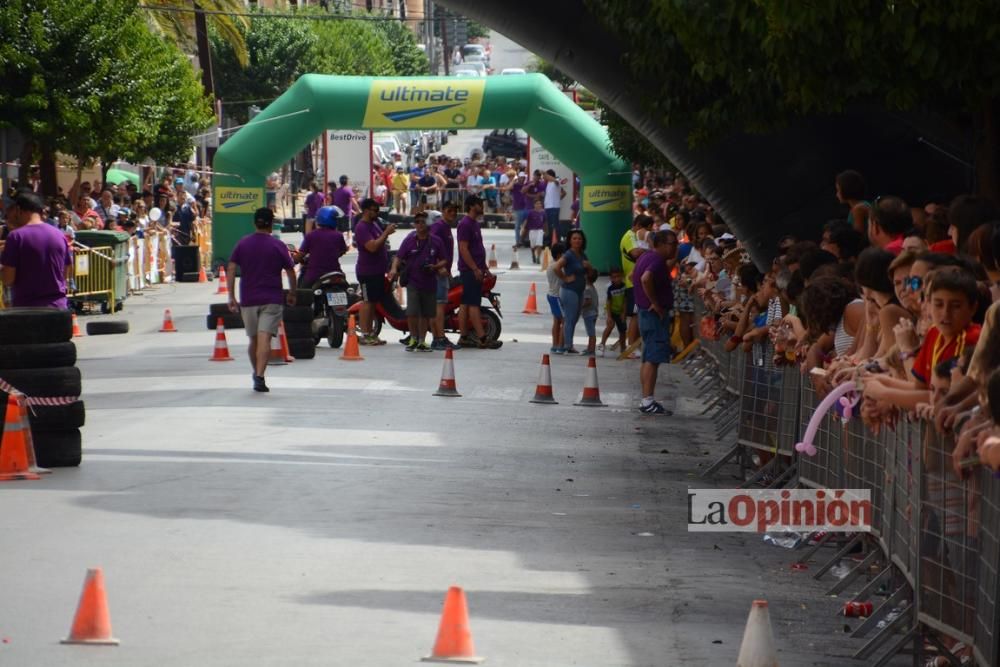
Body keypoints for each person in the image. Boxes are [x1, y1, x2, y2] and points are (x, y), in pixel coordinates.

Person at [225, 207, 297, 393]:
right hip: (272, 299)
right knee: (265, 340)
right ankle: (259, 375)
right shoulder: (277, 245)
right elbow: (290, 271)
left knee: (253, 340)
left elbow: (231, 268)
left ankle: (256, 373)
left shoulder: (243, 244)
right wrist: (292, 293)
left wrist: (231, 295)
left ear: (254, 223)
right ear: (271, 223)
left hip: (248, 299)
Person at [1, 190, 72, 308]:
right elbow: (66, 271)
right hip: (58, 307)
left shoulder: (16, 236)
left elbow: (8, 279)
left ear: (18, 210)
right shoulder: (58, 234)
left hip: (28, 310)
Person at [633, 229, 679, 415]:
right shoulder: (656, 260)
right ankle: (648, 400)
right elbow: (646, 279)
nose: (674, 247)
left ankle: (647, 399)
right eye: (671, 244)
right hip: (653, 315)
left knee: (649, 358)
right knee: (652, 358)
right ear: (660, 244)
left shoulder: (647, 257)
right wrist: (655, 303)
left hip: (646, 314)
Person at [389, 211, 446, 352]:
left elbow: (444, 259)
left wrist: (436, 267)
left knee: (426, 314)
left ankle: (421, 340)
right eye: (417, 222)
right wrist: (393, 268)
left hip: (430, 282)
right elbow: (399, 256)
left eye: (422, 222)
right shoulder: (409, 240)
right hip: (413, 282)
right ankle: (413, 338)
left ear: (428, 224)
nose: (419, 225)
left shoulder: (436, 241)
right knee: (412, 312)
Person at [456, 195, 501, 349]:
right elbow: (463, 248)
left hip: (475, 269)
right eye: (479, 204)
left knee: (466, 303)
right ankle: (482, 338)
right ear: (471, 206)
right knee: (473, 304)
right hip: (470, 271)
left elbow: (476, 249)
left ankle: (464, 337)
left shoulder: (474, 224)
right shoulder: (465, 224)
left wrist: (485, 269)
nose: (482, 206)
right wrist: (475, 268)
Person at [353, 198, 395, 345]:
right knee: (367, 302)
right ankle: (365, 333)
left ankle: (370, 332)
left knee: (373, 302)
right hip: (367, 271)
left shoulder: (374, 224)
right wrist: (386, 233)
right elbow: (372, 247)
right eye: (374, 210)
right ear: (366, 211)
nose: (376, 213)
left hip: (377, 270)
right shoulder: (362, 227)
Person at [552, 229, 590, 354]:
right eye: (574, 238)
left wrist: (589, 267)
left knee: (574, 319)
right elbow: (556, 267)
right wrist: (565, 278)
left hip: (579, 290)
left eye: (579, 238)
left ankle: (566, 344)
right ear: (570, 241)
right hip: (569, 291)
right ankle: (567, 345)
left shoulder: (583, 255)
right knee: (569, 318)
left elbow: (590, 273)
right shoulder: (568, 255)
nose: (577, 240)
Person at [429, 202, 458, 350]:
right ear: (443, 211)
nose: (452, 213)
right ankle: (439, 338)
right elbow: (430, 246)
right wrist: (439, 267)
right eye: (449, 211)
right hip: (437, 274)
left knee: (438, 307)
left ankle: (437, 338)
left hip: (443, 272)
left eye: (455, 211)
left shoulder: (446, 227)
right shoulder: (438, 227)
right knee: (439, 307)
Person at [296, 205, 348, 287]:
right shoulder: (338, 235)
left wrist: (294, 259)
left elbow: (301, 255)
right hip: (335, 273)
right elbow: (342, 251)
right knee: (346, 289)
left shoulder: (311, 235)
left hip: (314, 275)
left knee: (301, 292)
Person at [600, 267, 628, 355]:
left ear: (622, 276)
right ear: (611, 278)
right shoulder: (610, 288)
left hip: (620, 311)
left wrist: (624, 313)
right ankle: (602, 345)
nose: (617, 279)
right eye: (614, 277)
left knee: (622, 330)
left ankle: (623, 348)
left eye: (619, 276)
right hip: (611, 311)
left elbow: (625, 300)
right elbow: (608, 303)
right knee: (610, 327)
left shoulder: (624, 286)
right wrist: (609, 317)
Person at [545, 242, 567, 353]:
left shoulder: (551, 263)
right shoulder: (557, 267)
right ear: (559, 255)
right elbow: (565, 277)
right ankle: (560, 346)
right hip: (557, 296)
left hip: (551, 295)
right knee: (565, 321)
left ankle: (555, 344)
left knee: (557, 321)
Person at [543, 169, 565, 243]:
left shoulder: (557, 180)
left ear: (549, 176)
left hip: (554, 207)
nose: (544, 177)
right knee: (550, 225)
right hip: (548, 207)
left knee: (555, 225)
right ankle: (551, 241)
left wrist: (557, 200)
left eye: (545, 176)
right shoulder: (548, 183)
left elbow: (564, 192)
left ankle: (557, 241)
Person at [582, 267, 600, 356]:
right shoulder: (593, 287)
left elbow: (588, 301)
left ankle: (591, 349)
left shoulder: (586, 288)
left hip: (588, 314)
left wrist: (579, 306)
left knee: (591, 333)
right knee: (591, 331)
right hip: (594, 312)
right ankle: (589, 347)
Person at [521, 198, 546, 263]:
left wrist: (545, 230)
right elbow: (526, 220)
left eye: (540, 204)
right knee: (533, 245)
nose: (539, 205)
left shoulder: (543, 213)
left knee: (539, 244)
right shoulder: (531, 212)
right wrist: (523, 227)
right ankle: (533, 254)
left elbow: (544, 222)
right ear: (534, 205)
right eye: (537, 204)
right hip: (532, 230)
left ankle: (538, 257)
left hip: (540, 230)